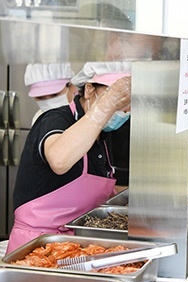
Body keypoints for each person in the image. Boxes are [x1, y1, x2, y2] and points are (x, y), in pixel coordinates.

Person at [7, 62, 131, 253]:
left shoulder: (104, 134)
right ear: (89, 89)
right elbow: (59, 161)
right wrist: (106, 106)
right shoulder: (55, 119)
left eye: (128, 102)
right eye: (118, 99)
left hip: (79, 245)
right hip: (38, 247)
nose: (123, 109)